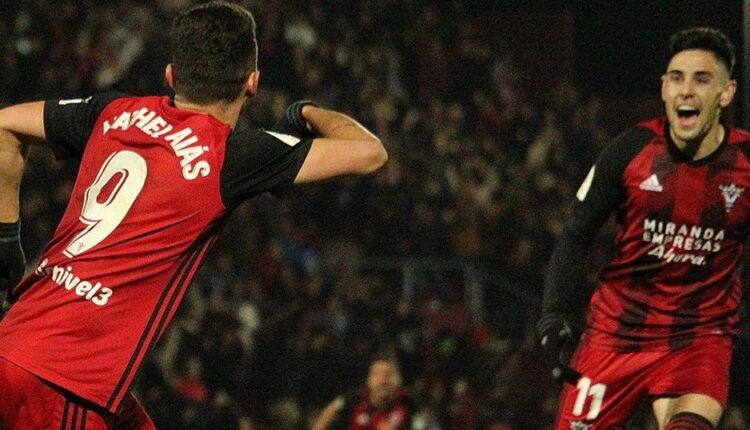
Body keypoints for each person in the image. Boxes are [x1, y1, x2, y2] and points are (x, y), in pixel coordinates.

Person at [0, 2, 387, 429]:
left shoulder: (112, 111)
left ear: (171, 75)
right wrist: (305, 112)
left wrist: (6, 243)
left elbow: (4, 126)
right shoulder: (233, 155)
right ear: (252, 83)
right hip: (66, 380)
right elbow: (369, 152)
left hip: (16, 341)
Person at [537, 27, 744, 430]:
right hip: (615, 336)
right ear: (664, 89)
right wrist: (554, 312)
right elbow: (577, 233)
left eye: (701, 80)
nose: (686, 90)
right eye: (677, 78)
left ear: (726, 93)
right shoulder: (629, 150)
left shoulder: (746, 166)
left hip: (699, 338)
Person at [311, 354, 414, 430]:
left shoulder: (408, 400)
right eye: (377, 375)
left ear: (397, 380)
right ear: (368, 380)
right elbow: (331, 410)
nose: (383, 380)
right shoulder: (355, 398)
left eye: (388, 374)